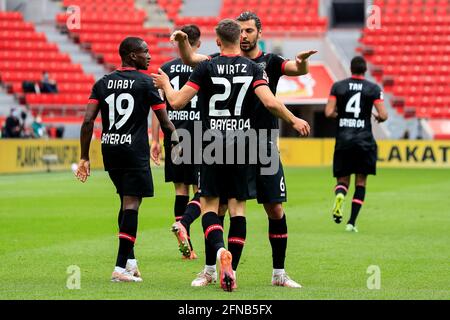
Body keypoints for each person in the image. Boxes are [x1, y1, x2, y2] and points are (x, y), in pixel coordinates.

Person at [152, 19, 310, 291]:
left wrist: (166, 83)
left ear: (258, 34)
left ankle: (251, 267)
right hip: (245, 143)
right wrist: (294, 119)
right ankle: (216, 270)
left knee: (221, 206)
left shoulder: (226, 65)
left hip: (224, 143)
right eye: (243, 31)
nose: (247, 35)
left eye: (251, 30)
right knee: (235, 208)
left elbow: (177, 101)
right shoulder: (252, 69)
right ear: (239, 36)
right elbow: (270, 101)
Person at [75, 36, 178, 282]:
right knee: (132, 205)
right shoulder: (147, 83)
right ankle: (119, 269)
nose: (149, 56)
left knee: (125, 201)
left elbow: (88, 121)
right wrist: (178, 141)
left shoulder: (102, 83)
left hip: (110, 150)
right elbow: (164, 121)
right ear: (132, 55)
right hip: (134, 152)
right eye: (145, 52)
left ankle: (130, 262)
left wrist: (84, 157)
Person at [150, 25, 203, 260]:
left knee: (180, 190)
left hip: (174, 137)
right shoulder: (205, 66)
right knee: (203, 191)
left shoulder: (165, 70)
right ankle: (186, 226)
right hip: (202, 137)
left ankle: (187, 248)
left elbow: (157, 108)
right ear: (198, 44)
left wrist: (154, 139)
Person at [325, 56, 388, 232]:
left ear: (351, 69)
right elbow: (383, 115)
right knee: (361, 182)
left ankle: (339, 195)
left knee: (343, 180)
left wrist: (343, 115)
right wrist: (375, 116)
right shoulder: (373, 88)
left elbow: (329, 112)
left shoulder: (338, 86)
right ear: (365, 70)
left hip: (344, 139)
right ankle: (351, 222)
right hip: (364, 141)